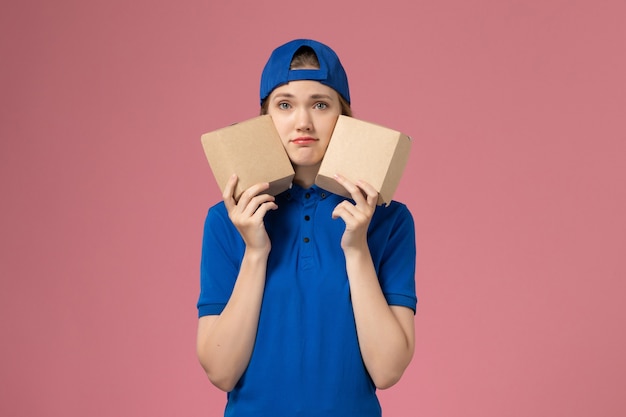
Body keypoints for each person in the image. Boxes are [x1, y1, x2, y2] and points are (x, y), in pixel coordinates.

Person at [196, 39, 417, 417]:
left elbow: (387, 370)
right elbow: (221, 372)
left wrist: (357, 249)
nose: (303, 122)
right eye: (284, 105)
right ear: (264, 117)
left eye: (320, 104)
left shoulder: (390, 218)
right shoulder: (227, 219)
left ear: (344, 116)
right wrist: (254, 252)